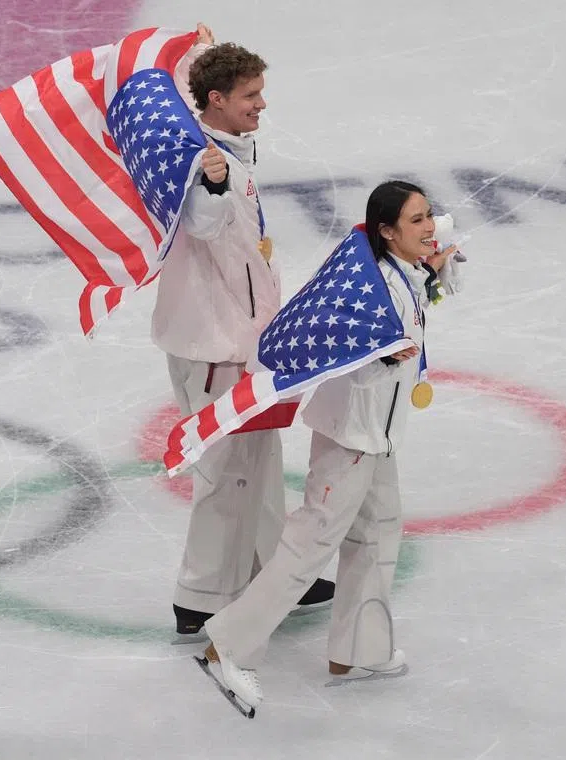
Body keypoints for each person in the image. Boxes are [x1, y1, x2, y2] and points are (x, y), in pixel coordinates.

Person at [198, 180, 465, 711]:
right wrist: (381, 354)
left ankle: (357, 651)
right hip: (350, 441)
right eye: (416, 220)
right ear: (386, 231)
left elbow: (421, 289)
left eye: (429, 215)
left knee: (378, 536)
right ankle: (224, 646)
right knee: (309, 546)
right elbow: (341, 340)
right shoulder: (368, 293)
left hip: (379, 438)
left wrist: (434, 273)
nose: (430, 226)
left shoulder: (400, 271)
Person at [154, 24, 334, 638]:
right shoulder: (209, 163)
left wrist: (203, 49)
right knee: (226, 471)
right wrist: (208, 182)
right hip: (214, 344)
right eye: (249, 95)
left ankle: (276, 570)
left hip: (239, 337)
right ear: (215, 102)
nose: (261, 104)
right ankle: (199, 596)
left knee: (256, 461)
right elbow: (203, 224)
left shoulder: (224, 146)